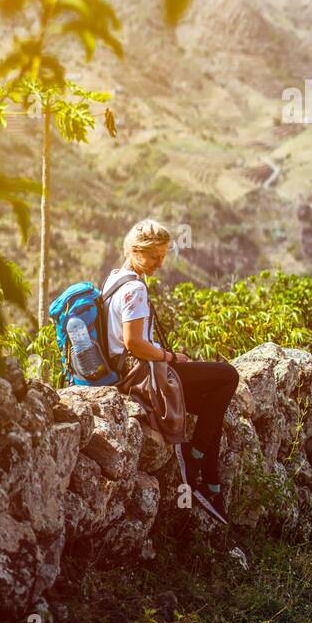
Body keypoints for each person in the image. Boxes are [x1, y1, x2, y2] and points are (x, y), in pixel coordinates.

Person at [103, 219, 240, 523]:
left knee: (210, 408)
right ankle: (196, 461)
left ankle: (210, 479)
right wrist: (171, 356)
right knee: (228, 376)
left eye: (163, 257)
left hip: (128, 372)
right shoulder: (134, 290)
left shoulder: (114, 279)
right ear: (136, 251)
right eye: (154, 257)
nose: (160, 264)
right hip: (143, 373)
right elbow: (134, 342)